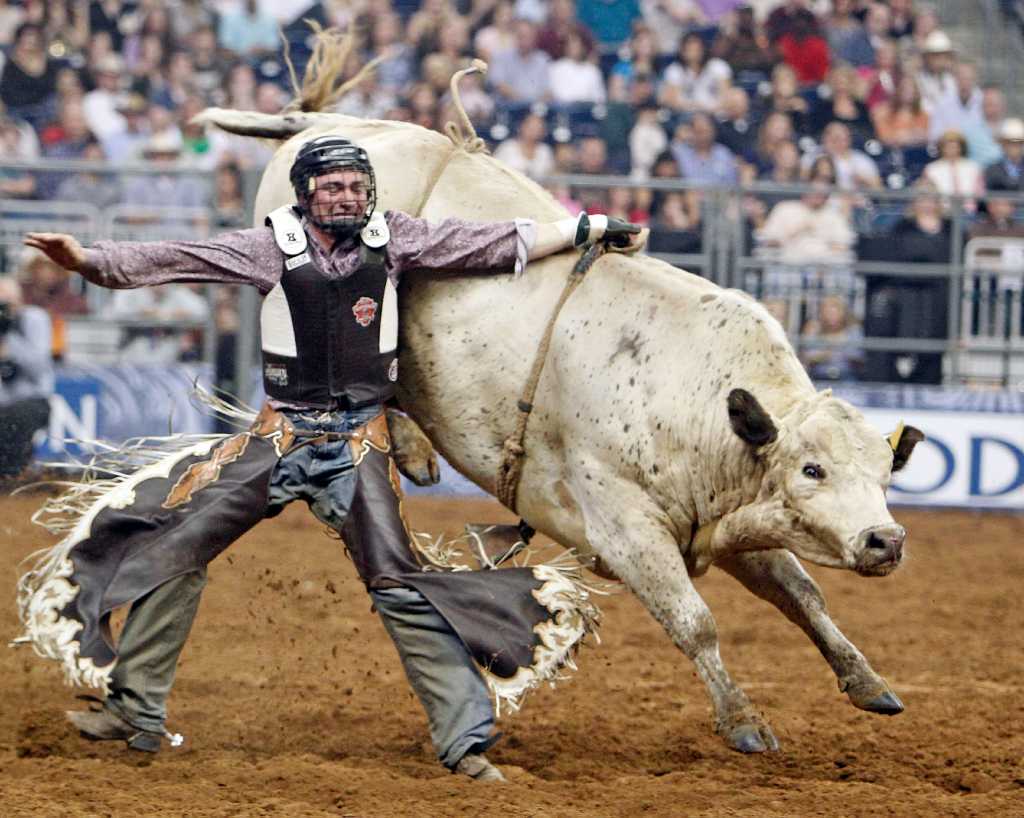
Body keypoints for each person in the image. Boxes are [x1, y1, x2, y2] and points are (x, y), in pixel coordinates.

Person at [23, 135, 641, 780]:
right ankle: (135, 712)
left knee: (399, 582)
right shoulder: (271, 245)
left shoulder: (394, 238)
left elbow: (486, 242)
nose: (348, 196)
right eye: (334, 186)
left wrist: (586, 227)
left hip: (358, 441)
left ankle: (464, 742)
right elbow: (180, 256)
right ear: (306, 193)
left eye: (357, 186)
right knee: (174, 547)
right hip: (279, 434)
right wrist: (91, 260)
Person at [0, 276, 53, 478]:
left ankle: (13, 479)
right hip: (3, 403)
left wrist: (9, 340)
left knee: (13, 420)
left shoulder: (33, 319)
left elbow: (39, 368)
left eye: (7, 303)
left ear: (18, 300)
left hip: (31, 399)